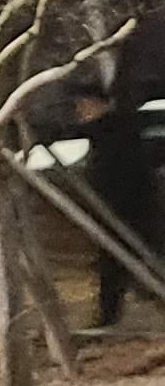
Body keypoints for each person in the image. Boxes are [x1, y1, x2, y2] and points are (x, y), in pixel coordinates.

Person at [64, 76, 157, 331]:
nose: (81, 112)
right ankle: (113, 311)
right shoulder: (116, 127)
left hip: (124, 207)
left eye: (84, 105)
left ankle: (112, 313)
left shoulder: (114, 128)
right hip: (118, 207)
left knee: (122, 262)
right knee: (122, 262)